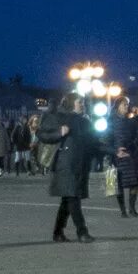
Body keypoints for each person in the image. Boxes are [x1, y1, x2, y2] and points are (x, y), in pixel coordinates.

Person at [47, 102, 99, 241]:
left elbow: (95, 143)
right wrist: (59, 132)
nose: (82, 105)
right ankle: (82, 232)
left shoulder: (84, 122)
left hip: (79, 166)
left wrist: (114, 151)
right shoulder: (63, 119)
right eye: (79, 103)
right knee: (73, 198)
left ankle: (58, 232)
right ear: (71, 105)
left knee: (67, 200)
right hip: (66, 166)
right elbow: (45, 135)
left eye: (83, 102)